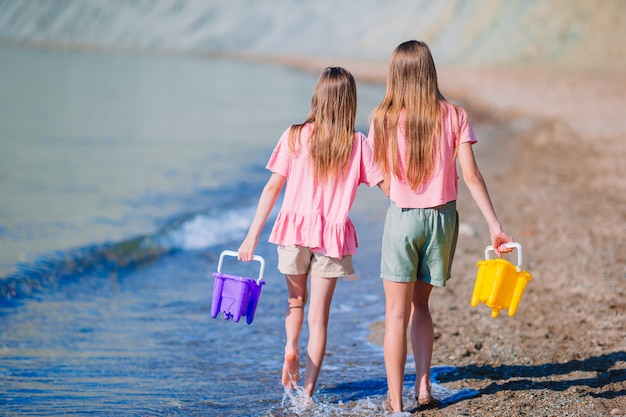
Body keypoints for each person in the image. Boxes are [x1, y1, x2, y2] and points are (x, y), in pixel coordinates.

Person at [368, 40, 513, 413]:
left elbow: (376, 174)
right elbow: (472, 175)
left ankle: (397, 403)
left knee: (395, 315)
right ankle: (424, 390)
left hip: (402, 217)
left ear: (395, 75)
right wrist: (495, 226)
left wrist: (398, 194)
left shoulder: (382, 117)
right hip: (442, 221)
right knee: (422, 307)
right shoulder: (453, 114)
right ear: (430, 71)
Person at [237, 66, 384, 399]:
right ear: (350, 101)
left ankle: (290, 347)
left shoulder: (294, 135)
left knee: (295, 301)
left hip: (293, 231)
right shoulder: (358, 142)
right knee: (319, 318)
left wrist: (252, 236)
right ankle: (307, 395)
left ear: (317, 96)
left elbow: (273, 187)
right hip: (331, 237)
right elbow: (384, 185)